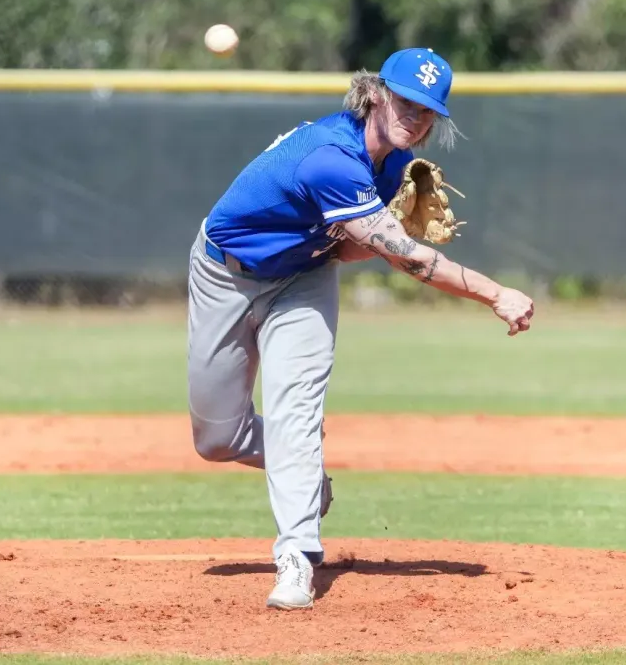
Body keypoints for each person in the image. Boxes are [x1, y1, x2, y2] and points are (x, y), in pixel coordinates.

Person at [186, 47, 535, 610]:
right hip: (223, 273)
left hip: (303, 279)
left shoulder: (391, 163)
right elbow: (411, 262)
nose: (415, 117)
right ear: (375, 93)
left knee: (294, 411)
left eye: (427, 111)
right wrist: (495, 293)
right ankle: (304, 467)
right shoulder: (332, 156)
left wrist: (380, 233)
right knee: (216, 439)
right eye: (406, 101)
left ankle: (296, 557)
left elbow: (344, 251)